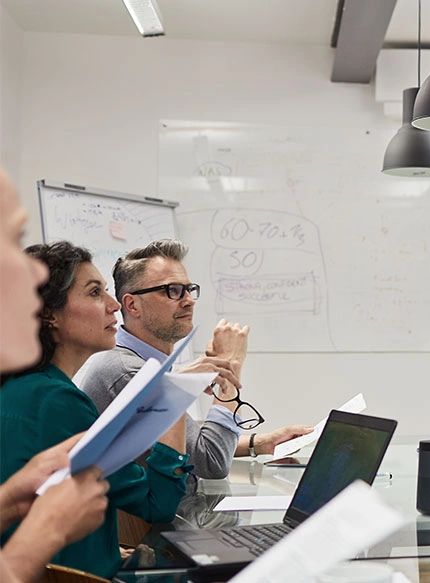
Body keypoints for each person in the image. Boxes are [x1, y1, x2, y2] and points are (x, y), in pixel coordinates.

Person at [0, 241, 190, 578]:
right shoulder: (57, 401)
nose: (114, 305)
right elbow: (157, 503)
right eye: (94, 293)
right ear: (48, 314)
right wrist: (176, 399)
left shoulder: (22, 389)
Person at [76, 239, 312, 480]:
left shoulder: (139, 363)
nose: (189, 300)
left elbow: (183, 444)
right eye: (172, 290)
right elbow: (210, 462)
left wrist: (258, 444)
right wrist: (230, 368)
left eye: (189, 289)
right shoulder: (128, 372)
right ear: (132, 305)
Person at [0, 170, 110, 582]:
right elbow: (157, 501)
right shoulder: (52, 397)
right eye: (9, 243)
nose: (36, 276)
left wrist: (10, 500)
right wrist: (46, 529)